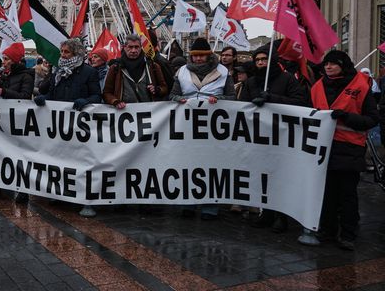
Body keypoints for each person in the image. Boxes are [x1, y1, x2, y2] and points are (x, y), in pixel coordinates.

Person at [239, 44, 308, 233]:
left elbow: (300, 102)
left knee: (279, 177)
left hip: (281, 137)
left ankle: (281, 217)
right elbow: (241, 107)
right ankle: (266, 214)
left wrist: (272, 98)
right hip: (258, 136)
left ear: (272, 61)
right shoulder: (251, 82)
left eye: (264, 59)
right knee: (262, 176)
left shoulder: (287, 79)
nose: (261, 63)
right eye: (258, 60)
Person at [314, 51, 378, 250]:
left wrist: (347, 117)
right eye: (326, 64)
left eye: (333, 64)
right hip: (324, 149)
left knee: (347, 194)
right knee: (328, 194)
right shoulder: (318, 87)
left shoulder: (361, 86)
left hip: (350, 149)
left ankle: (348, 234)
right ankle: (327, 231)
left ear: (343, 65)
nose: (328, 67)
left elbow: (372, 119)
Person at [169, 37, 235, 220]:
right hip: (188, 128)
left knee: (211, 166)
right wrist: (177, 100)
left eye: (202, 56)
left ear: (208, 56)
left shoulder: (223, 72)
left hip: (213, 129)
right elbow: (172, 95)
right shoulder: (182, 72)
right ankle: (188, 203)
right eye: (195, 56)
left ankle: (210, 207)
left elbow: (232, 98)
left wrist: (219, 101)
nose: (198, 59)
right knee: (188, 165)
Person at [34, 38, 101, 217]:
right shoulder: (58, 71)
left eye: (66, 52)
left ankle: (85, 201)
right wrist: (45, 98)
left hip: (80, 128)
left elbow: (97, 96)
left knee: (81, 163)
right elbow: (52, 92)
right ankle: (59, 194)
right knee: (60, 160)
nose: (62, 55)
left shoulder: (89, 72)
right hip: (59, 126)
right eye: (62, 51)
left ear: (76, 53)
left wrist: (85, 101)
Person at [0, 42, 34, 202]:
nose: (3, 61)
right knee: (0, 153)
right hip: (4, 120)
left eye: (7, 59)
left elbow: (25, 96)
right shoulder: (3, 74)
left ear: (14, 60)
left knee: (19, 157)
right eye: (3, 58)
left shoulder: (26, 75)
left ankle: (23, 191)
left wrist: (5, 92)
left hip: (19, 121)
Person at [103, 34, 168, 108]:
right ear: (124, 48)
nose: (133, 50)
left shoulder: (152, 66)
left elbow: (165, 88)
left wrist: (157, 90)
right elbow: (106, 93)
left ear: (141, 48)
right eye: (130, 47)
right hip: (124, 112)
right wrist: (115, 101)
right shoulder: (115, 67)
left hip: (148, 112)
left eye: (136, 47)